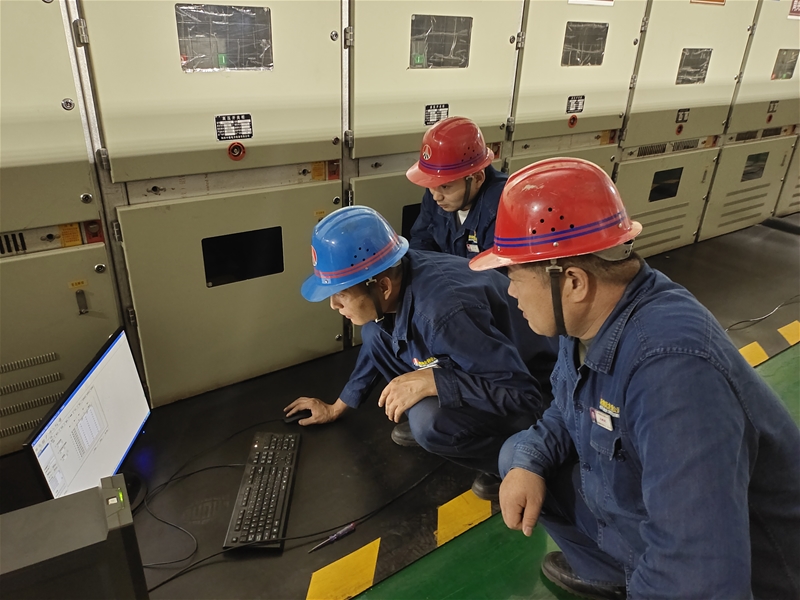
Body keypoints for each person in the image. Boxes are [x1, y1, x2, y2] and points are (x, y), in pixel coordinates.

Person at [469, 157, 800, 598]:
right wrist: (529, 461)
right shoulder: (586, 322)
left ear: (572, 282)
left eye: (514, 276)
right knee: (516, 454)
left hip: (754, 574)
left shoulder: (673, 371)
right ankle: (612, 574)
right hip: (649, 518)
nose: (510, 292)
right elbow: (568, 407)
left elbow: (698, 577)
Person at [285, 205, 557, 499]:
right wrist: (337, 407)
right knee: (374, 332)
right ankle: (461, 419)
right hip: (485, 366)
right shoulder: (400, 272)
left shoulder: (444, 315)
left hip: (539, 394)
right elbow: (380, 341)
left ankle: (516, 464)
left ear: (382, 286)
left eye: (341, 294)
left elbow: (523, 394)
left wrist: (435, 382)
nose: (333, 305)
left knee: (429, 423)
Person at [406, 116, 507, 259]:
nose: (436, 197)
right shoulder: (435, 192)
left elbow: (495, 270)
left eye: (445, 186)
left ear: (477, 178)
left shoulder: (502, 208)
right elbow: (421, 241)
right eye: (431, 185)